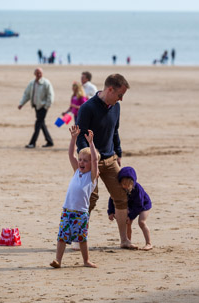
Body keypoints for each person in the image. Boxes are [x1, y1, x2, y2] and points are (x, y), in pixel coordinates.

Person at [76, 73, 137, 249]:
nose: (121, 99)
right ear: (110, 89)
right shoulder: (87, 108)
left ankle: (124, 240)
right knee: (89, 200)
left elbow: (115, 131)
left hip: (110, 160)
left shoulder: (116, 107)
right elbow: (81, 136)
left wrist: (118, 152)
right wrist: (86, 158)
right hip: (91, 161)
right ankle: (79, 240)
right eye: (120, 95)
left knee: (122, 196)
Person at [50, 125, 99, 268]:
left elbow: (95, 161)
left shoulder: (92, 177)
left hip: (81, 213)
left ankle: (86, 261)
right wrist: (73, 139)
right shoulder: (77, 171)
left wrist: (91, 143)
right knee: (62, 237)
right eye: (81, 159)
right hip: (67, 210)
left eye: (85, 160)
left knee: (82, 239)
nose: (81, 162)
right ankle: (58, 260)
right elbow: (71, 155)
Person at [107, 166, 153, 251]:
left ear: (132, 183)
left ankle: (148, 243)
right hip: (131, 206)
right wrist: (111, 212)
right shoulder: (119, 188)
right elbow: (112, 199)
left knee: (141, 222)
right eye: (123, 184)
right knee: (128, 223)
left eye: (128, 185)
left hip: (143, 205)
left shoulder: (137, 189)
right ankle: (128, 241)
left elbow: (139, 205)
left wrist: (131, 216)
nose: (125, 187)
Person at [18, 67, 55, 148]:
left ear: (42, 74)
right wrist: (21, 104)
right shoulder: (32, 83)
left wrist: (47, 106)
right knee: (42, 124)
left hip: (43, 107)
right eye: (37, 73)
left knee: (38, 124)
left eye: (40, 73)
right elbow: (27, 94)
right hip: (36, 106)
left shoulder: (46, 83)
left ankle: (32, 143)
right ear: (34, 74)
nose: (39, 74)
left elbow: (50, 95)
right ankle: (49, 141)